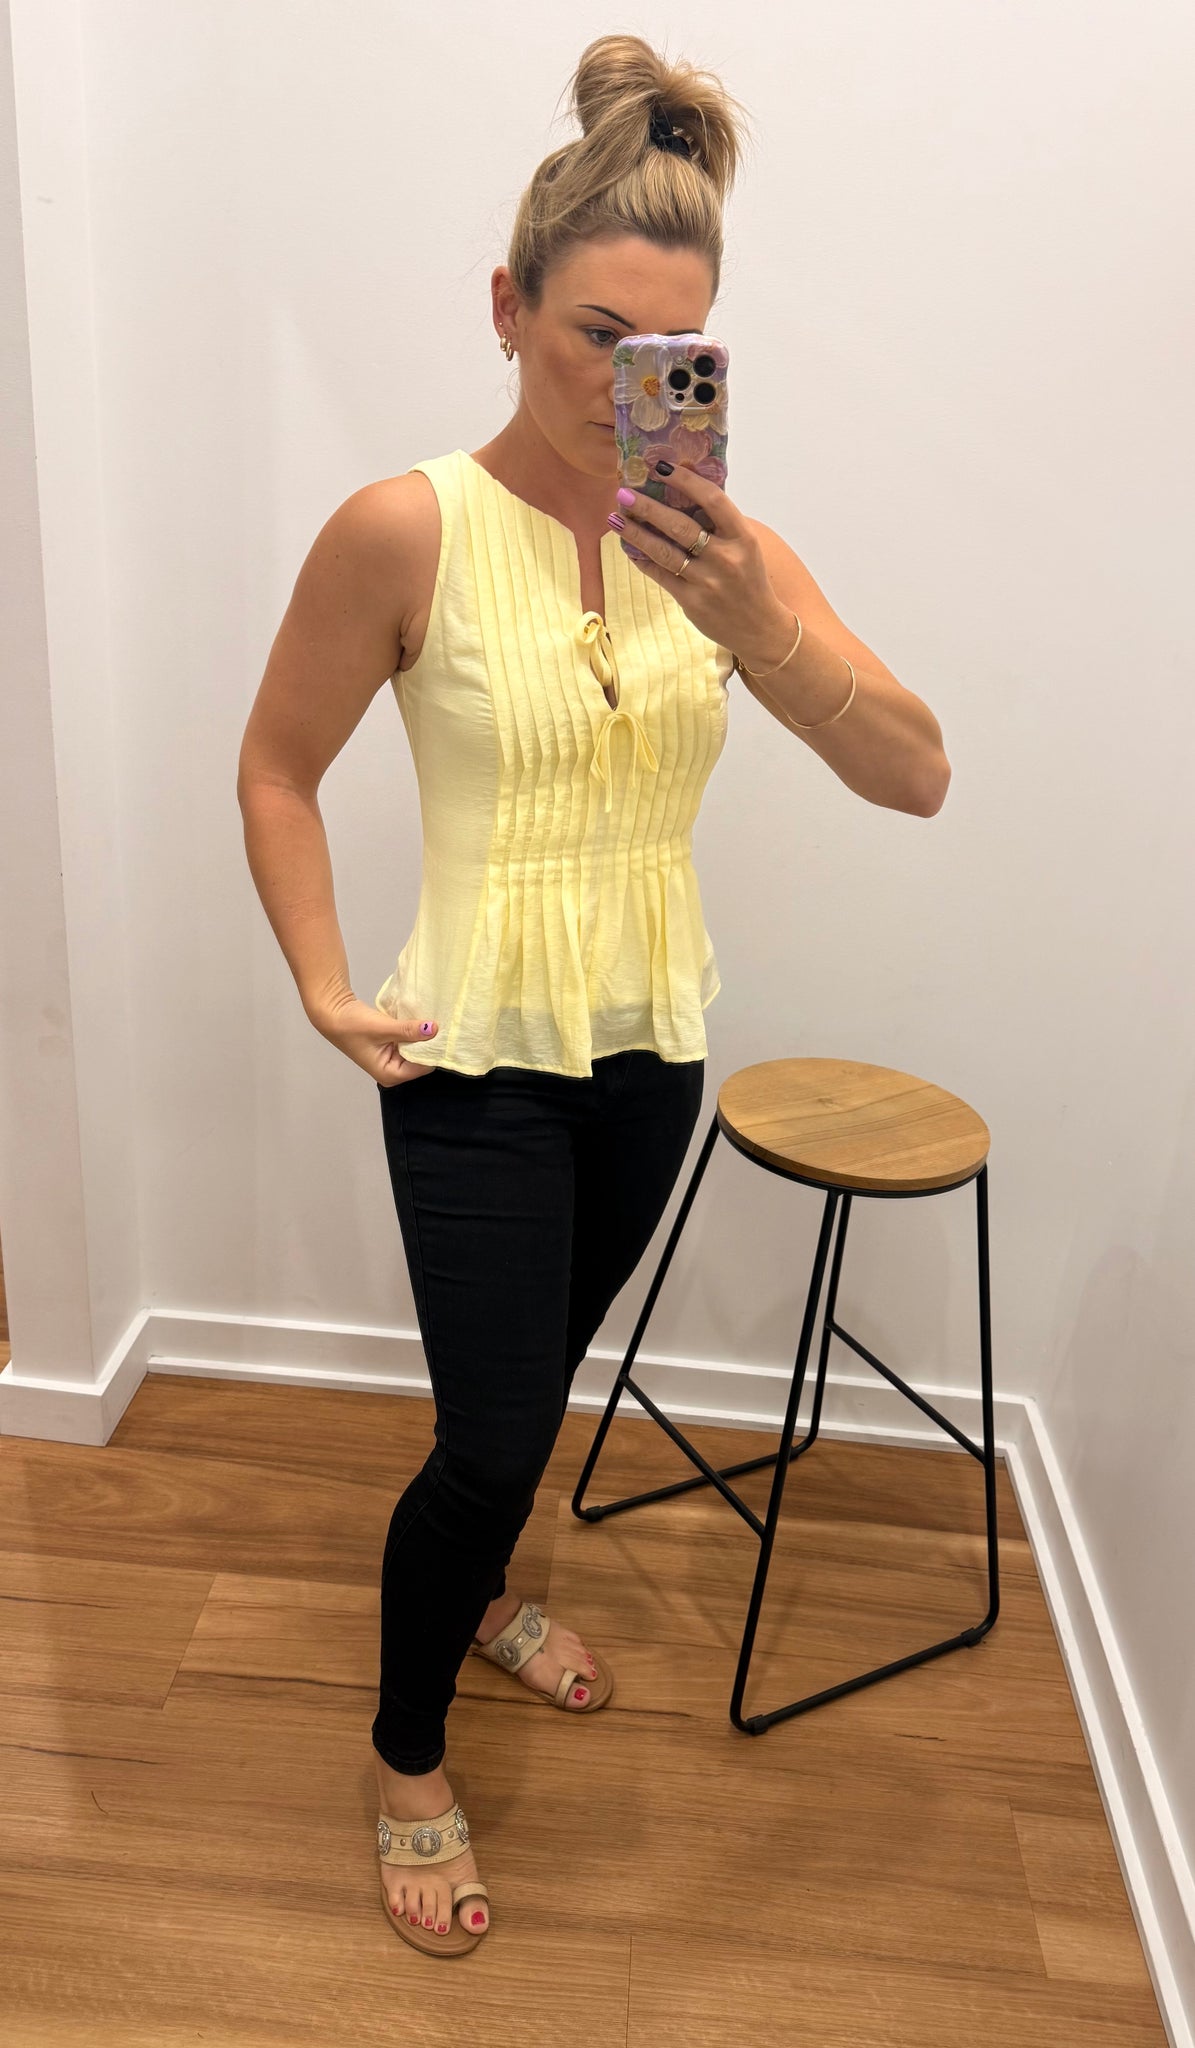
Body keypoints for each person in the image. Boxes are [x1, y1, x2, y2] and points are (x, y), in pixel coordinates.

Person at [236, 32, 950, 1958]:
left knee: (535, 1388)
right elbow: (277, 768)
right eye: (594, 337)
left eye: (675, 352)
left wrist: (759, 624)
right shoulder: (403, 528)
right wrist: (322, 980)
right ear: (507, 310)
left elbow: (915, 773)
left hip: (650, 1054)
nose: (628, 382)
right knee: (487, 1438)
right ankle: (404, 1752)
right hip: (469, 1053)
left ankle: (481, 1598)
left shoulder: (721, 556)